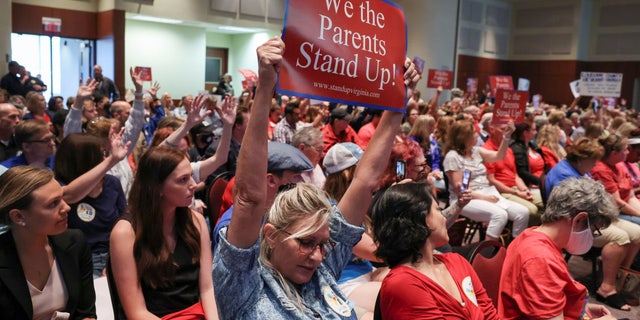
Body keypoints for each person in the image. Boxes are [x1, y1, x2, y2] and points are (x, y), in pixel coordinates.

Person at [212, 36, 419, 319]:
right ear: (271, 236)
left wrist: (398, 100)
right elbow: (248, 199)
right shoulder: (244, 286)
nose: (318, 255)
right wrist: (264, 89)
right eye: (306, 243)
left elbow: (365, 182)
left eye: (322, 244)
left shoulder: (320, 270)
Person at [109, 146, 218, 319]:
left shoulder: (196, 221)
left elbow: (208, 288)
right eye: (183, 180)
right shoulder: (125, 233)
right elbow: (136, 312)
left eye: (191, 176)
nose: (193, 185)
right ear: (157, 187)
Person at [372, 182, 498, 319]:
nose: (443, 218)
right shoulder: (403, 283)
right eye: (438, 210)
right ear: (421, 218)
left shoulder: (457, 262)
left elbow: (490, 315)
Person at [499, 177, 616, 320]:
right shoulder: (540, 260)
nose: (591, 237)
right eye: (593, 230)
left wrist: (580, 308)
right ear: (579, 219)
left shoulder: (532, 235)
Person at [545, 137, 640, 311]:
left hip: (592, 216)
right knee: (620, 237)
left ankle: (619, 277)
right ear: (582, 159)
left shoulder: (581, 169)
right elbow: (575, 212)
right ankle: (607, 287)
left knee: (637, 233)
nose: (595, 165)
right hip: (576, 222)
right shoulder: (564, 174)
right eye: (593, 161)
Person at [0, 166, 96, 319]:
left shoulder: (75, 243)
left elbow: (86, 313)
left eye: (62, 198)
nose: (67, 207)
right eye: (53, 204)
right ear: (18, 217)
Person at [443, 119, 530, 241]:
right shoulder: (452, 156)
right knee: (500, 215)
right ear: (464, 137)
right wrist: (484, 198)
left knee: (523, 212)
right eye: (473, 133)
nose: (477, 135)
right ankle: (486, 253)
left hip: (488, 192)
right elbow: (461, 190)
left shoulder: (476, 151)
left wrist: (506, 137)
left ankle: (513, 249)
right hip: (465, 199)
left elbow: (498, 156)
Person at [54, 133, 126, 278]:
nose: (104, 159)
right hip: (79, 260)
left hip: (114, 253)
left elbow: (124, 220)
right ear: (85, 160)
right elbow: (68, 195)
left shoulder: (112, 183)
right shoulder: (57, 186)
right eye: (100, 155)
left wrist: (116, 261)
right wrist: (112, 161)